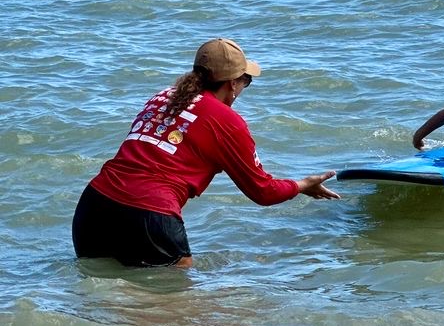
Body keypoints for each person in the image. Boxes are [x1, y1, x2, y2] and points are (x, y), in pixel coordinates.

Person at [72, 37, 340, 269]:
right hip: (151, 213)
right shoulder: (227, 121)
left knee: (102, 291)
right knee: (175, 299)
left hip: (94, 207)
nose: (244, 87)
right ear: (232, 84)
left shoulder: (163, 96)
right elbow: (263, 191)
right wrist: (302, 185)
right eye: (246, 81)